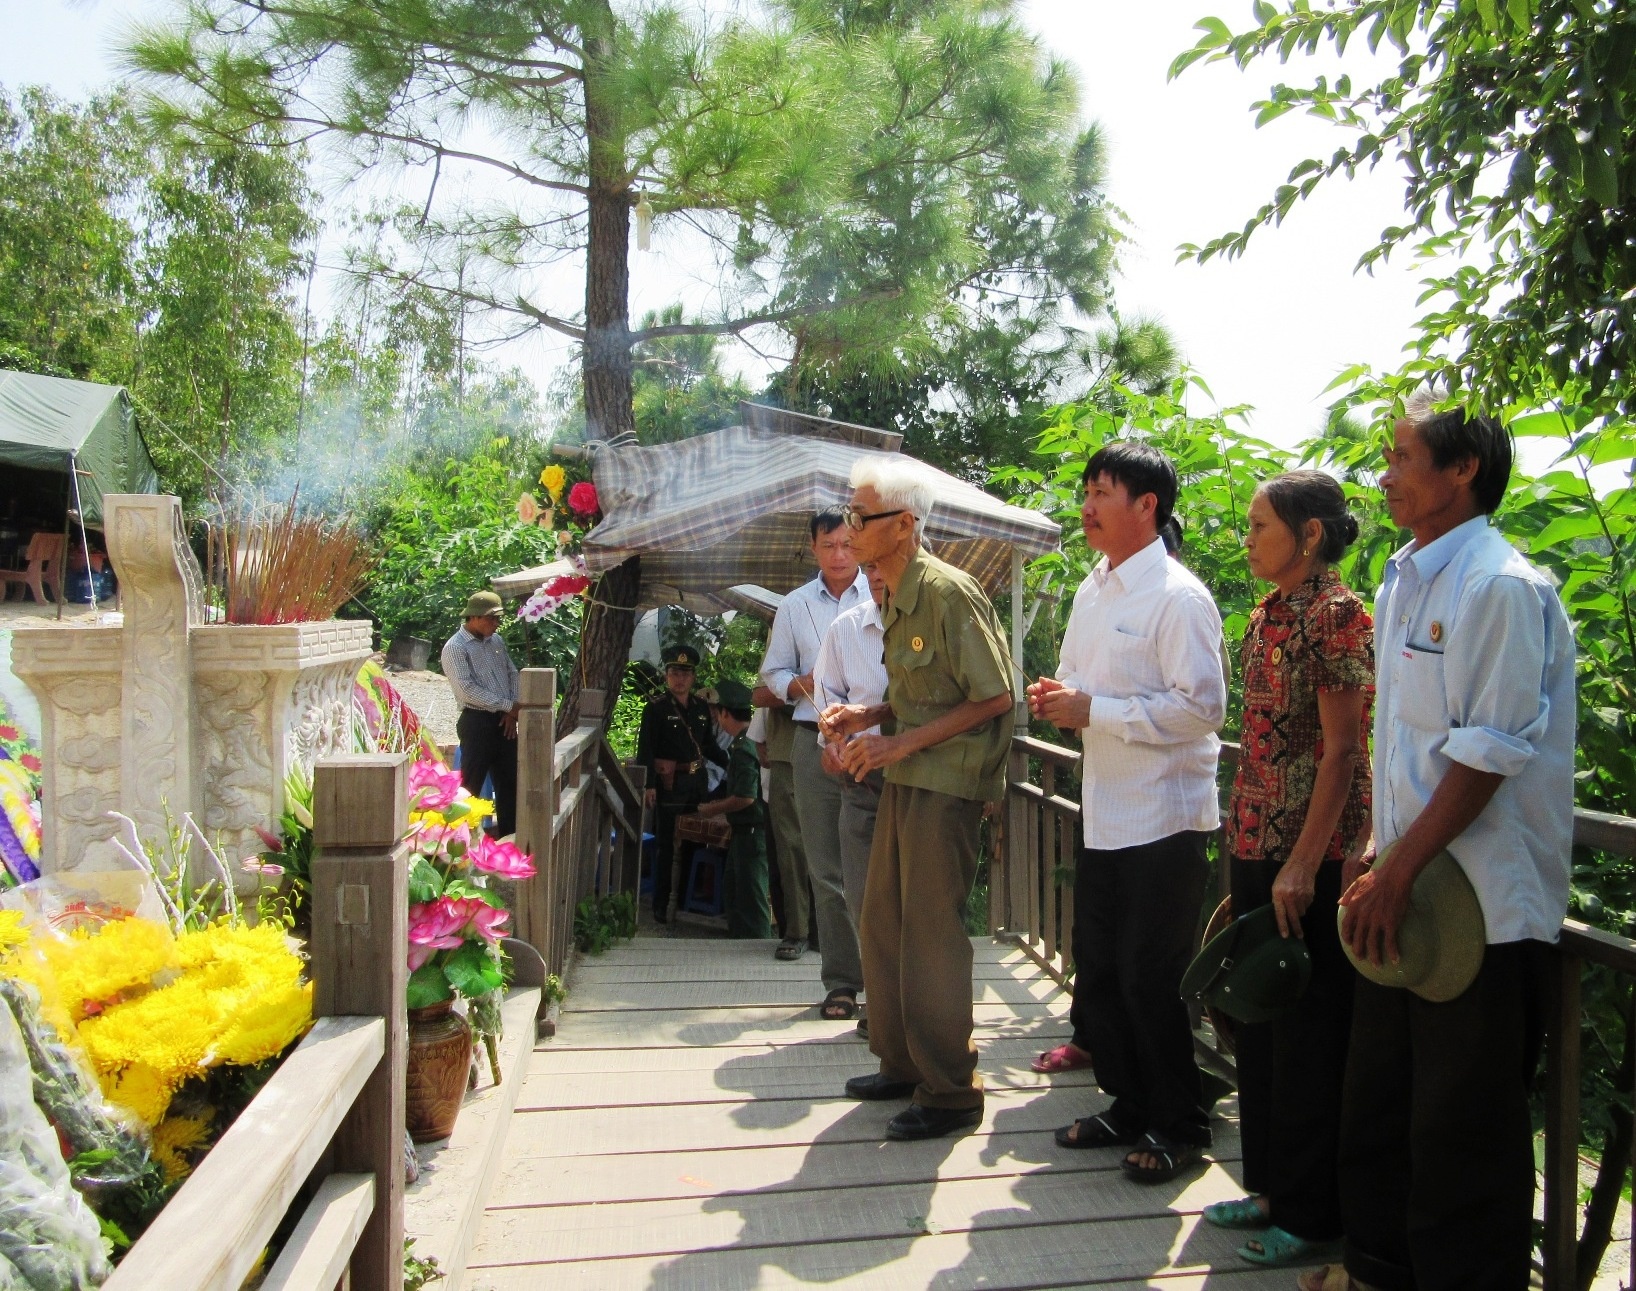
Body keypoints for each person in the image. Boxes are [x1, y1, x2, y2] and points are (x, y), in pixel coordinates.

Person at [1306, 398, 1575, 1291]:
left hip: (1483, 911)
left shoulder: (1499, 586)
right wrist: (1375, 846)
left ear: (1463, 471)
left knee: (1464, 1132)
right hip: (1407, 894)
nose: (1384, 472)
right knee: (1380, 1104)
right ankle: (1378, 1273)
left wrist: (1400, 865)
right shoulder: (1404, 577)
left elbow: (1489, 750)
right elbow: (1408, 739)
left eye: (1403, 454)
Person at [1027, 441, 1227, 1184]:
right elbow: (1079, 678)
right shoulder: (1093, 589)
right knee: (1104, 969)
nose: (1087, 504)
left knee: (1153, 975)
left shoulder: (1179, 597)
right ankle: (1129, 1103)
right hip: (1105, 812)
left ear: (1148, 506)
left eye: (1102, 491)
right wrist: (1062, 701)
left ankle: (1180, 1123)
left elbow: (1204, 708)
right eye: (1086, 489)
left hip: (1166, 821)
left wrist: (1094, 709)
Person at [1204, 471, 1373, 1267]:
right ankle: (1270, 1185)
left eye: (1260, 524)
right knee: (1260, 1022)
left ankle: (1310, 1214)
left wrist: (1305, 863)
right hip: (1254, 837)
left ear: (1308, 535)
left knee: (1308, 1032)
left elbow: (1344, 751)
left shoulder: (1338, 616)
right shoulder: (1270, 609)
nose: (1249, 537)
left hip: (1311, 851)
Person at [821, 458, 1014, 1142]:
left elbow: (995, 696)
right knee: (882, 920)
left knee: (930, 933)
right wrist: (867, 716)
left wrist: (898, 745)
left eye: (858, 517)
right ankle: (903, 1063)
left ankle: (951, 1089)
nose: (848, 529)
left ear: (903, 526)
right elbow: (916, 695)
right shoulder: (895, 591)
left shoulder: (946, 591)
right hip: (909, 777)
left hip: (947, 782)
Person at [760, 510, 869, 1019]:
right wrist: (801, 680)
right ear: (813, 547)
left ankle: (886, 983)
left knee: (879, 866)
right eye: (830, 545)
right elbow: (771, 673)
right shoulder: (795, 605)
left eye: (849, 543)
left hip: (875, 743)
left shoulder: (883, 593)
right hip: (811, 740)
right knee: (826, 867)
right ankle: (842, 981)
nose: (841, 554)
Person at [813, 561, 889, 1037]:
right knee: (863, 896)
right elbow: (826, 740)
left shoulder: (939, 620)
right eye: (874, 564)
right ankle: (880, 1003)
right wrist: (836, 751)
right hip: (862, 784)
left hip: (923, 782)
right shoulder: (844, 631)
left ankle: (916, 1008)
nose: (881, 573)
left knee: (918, 902)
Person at [636, 645, 727, 922]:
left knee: (692, 841)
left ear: (693, 677)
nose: (680, 679)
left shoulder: (700, 707)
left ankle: (686, 901)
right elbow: (646, 749)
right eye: (675, 672)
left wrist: (731, 761)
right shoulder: (656, 708)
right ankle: (661, 906)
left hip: (696, 782)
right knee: (667, 844)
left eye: (685, 674)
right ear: (666, 675)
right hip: (669, 783)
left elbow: (708, 745)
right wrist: (649, 785)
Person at [695, 679, 774, 939]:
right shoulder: (752, 740)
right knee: (736, 893)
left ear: (726, 713)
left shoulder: (742, 747)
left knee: (752, 897)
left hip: (751, 832)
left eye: (718, 714)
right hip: (746, 831)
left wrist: (712, 808)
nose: (717, 720)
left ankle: (757, 949)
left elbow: (746, 797)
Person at [441, 590, 520, 838]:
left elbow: (512, 673)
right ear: (474, 618)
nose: (496, 624)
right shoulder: (455, 647)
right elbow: (466, 690)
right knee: (471, 785)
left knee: (510, 784)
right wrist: (506, 705)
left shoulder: (497, 642)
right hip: (477, 721)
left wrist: (512, 709)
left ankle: (510, 840)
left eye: (498, 619)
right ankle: (462, 842)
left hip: (504, 720)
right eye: (492, 619)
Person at [753, 685, 812, 959]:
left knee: (838, 846)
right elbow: (761, 696)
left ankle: (829, 931)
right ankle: (796, 931)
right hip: (789, 753)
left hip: (842, 745)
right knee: (790, 850)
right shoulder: (785, 646)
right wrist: (803, 686)